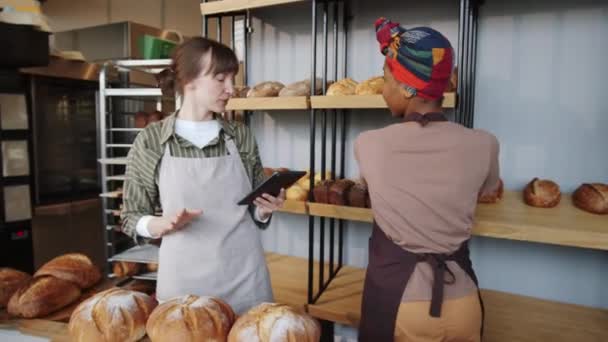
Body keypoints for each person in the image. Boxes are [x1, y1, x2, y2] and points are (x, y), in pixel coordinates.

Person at [355, 18, 500, 342]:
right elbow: (489, 190)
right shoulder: (484, 143)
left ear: (407, 87)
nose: (382, 88)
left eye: (385, 78)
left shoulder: (369, 143)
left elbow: (369, 187)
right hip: (464, 301)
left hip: (400, 304)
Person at [120, 37, 285, 314]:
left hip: (245, 280)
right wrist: (160, 225)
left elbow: (254, 210)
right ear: (189, 81)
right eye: (221, 79)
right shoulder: (152, 140)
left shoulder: (240, 136)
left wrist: (266, 210)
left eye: (232, 78)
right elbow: (131, 216)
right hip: (183, 288)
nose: (231, 89)